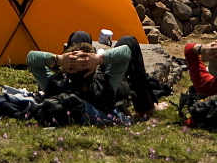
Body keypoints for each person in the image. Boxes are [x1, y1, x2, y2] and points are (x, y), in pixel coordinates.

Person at [26, 30, 155, 122]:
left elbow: (31, 58)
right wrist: (99, 59)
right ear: (93, 70)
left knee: (80, 35)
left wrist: (59, 60)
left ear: (66, 71)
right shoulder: (104, 88)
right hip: (115, 87)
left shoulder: (54, 88)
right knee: (128, 40)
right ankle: (146, 107)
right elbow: (126, 51)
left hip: (78, 78)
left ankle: (77, 55)